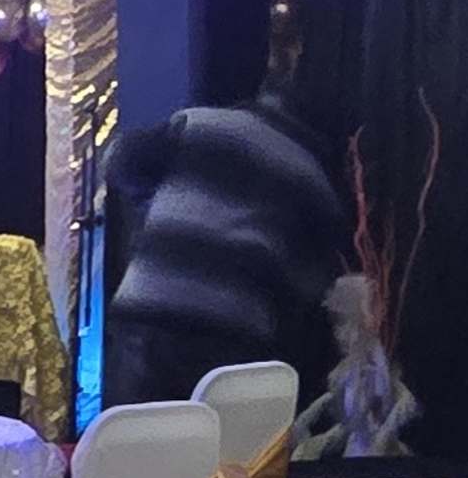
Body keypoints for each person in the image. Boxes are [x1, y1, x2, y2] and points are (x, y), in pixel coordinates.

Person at [101, 80, 351, 410]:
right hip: (233, 330)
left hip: (148, 309)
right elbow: (307, 291)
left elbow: (119, 161)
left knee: (134, 445)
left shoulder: (198, 124)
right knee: (215, 455)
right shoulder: (317, 185)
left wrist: (153, 207)